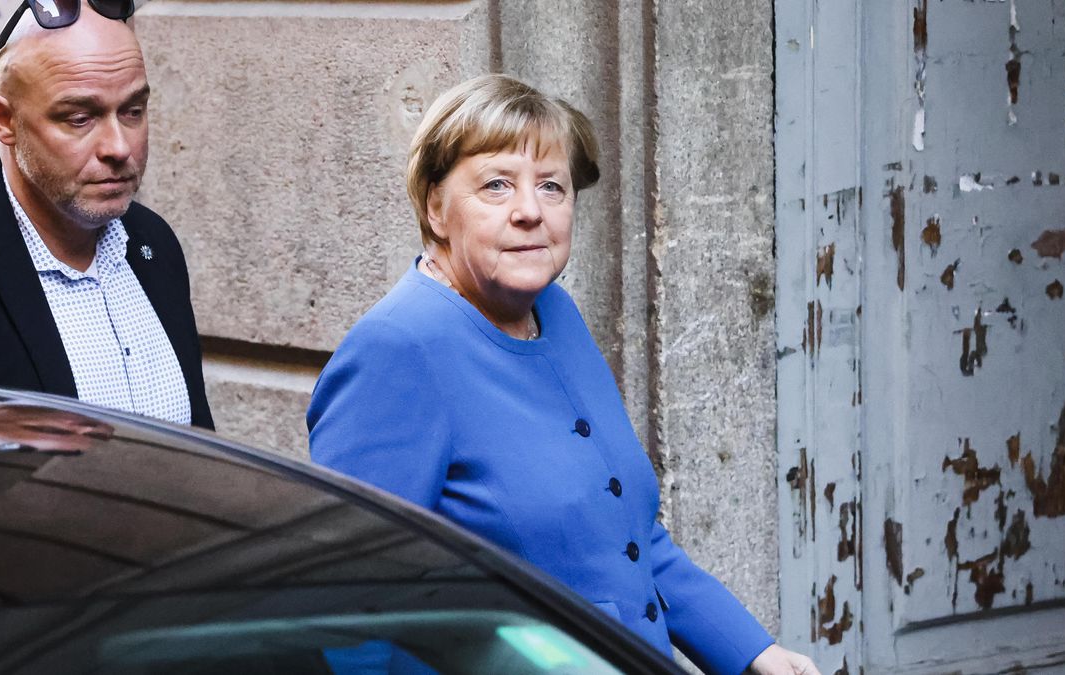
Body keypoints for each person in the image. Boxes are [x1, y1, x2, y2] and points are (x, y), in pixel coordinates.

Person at [308, 74, 818, 675]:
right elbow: (349, 613)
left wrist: (754, 654)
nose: (530, 211)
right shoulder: (397, 350)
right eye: (496, 185)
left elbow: (627, 537)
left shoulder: (554, 313)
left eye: (551, 186)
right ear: (435, 207)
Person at [0, 0, 213, 429]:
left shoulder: (153, 243)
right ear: (5, 120)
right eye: (80, 118)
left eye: (133, 112)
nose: (119, 147)